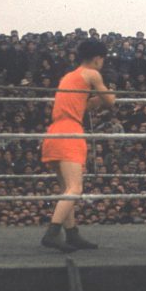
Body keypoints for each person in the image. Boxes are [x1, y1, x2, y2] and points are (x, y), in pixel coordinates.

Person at [40, 39, 115, 252]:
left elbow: (82, 107)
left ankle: (72, 233)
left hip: (55, 132)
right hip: (69, 133)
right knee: (75, 188)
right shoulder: (92, 74)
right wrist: (110, 92)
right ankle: (52, 233)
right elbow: (110, 102)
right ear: (98, 58)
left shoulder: (69, 76)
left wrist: (96, 99)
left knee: (66, 188)